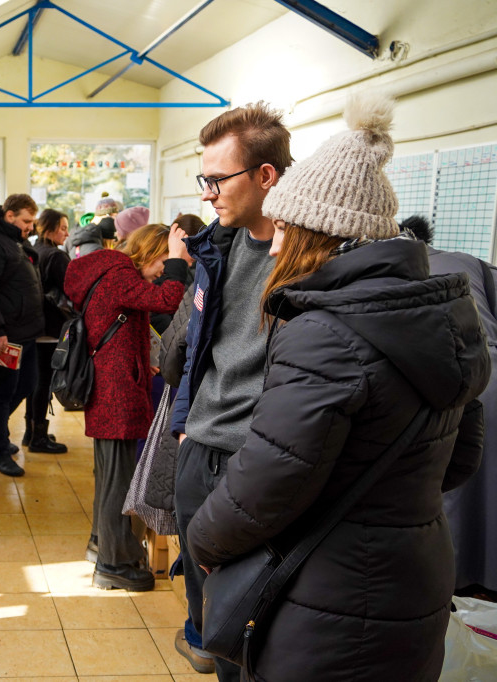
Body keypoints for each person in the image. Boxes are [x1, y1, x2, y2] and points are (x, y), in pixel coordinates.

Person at [187, 93, 489, 681]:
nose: (273, 244)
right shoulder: (441, 318)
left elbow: (269, 483)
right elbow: (461, 458)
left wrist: (201, 540)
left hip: (332, 596)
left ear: (319, 233)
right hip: (415, 580)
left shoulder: (323, 333)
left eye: (287, 228)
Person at [171, 101, 292, 680]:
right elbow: (196, 345)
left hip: (260, 456)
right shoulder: (215, 250)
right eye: (205, 179)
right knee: (212, 612)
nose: (208, 194)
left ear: (266, 176)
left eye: (217, 179)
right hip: (201, 446)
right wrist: (185, 423)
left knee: (259, 612)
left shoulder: (309, 256)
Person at [65, 223, 188, 591]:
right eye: (163, 261)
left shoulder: (112, 271)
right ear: (150, 252)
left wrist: (138, 358)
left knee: (110, 476)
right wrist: (180, 262)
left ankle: (102, 544)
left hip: (112, 386)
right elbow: (168, 300)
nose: (164, 270)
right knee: (118, 480)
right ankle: (114, 564)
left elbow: (125, 323)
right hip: (115, 392)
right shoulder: (119, 274)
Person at [403, 214, 497, 595]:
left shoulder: (407, 273)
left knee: (456, 489)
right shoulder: (473, 263)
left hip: (458, 385)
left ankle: (456, 586)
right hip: (488, 372)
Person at [0, 194, 44, 477]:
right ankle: (0, 451)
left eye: (32, 222)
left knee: (28, 384)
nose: (29, 227)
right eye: (26, 221)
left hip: (24, 332)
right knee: (2, 392)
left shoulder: (14, 240)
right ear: (9, 214)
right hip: (4, 336)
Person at [24, 208, 71, 454]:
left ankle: (30, 431)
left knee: (35, 380)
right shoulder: (57, 256)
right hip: (52, 325)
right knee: (44, 381)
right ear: (50, 229)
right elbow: (72, 289)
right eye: (63, 227)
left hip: (33, 324)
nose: (66, 232)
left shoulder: (34, 251)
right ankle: (38, 437)